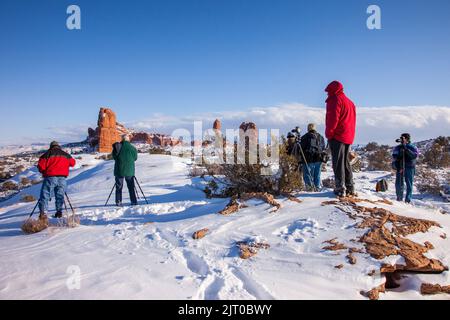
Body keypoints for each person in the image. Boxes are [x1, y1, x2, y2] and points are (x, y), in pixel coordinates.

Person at [325, 80, 357, 197]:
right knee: (345, 162)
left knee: (338, 162)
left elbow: (332, 119)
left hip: (337, 136)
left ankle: (340, 188)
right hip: (348, 136)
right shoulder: (350, 102)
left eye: (328, 92)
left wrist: (329, 134)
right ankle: (350, 187)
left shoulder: (335, 100)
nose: (327, 94)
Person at [37, 141, 76, 220]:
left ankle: (43, 214)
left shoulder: (47, 154)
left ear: (51, 147)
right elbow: (73, 163)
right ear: (58, 146)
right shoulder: (65, 154)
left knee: (45, 196)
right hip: (62, 178)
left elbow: (41, 167)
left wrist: (44, 172)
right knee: (60, 196)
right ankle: (59, 212)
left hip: (50, 178)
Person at [392, 133, 419, 203]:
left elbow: (414, 156)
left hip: (410, 167)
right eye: (401, 138)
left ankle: (407, 200)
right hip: (400, 167)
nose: (402, 140)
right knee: (398, 183)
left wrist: (406, 149)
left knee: (409, 184)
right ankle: (399, 199)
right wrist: (400, 152)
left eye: (404, 138)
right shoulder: (398, 147)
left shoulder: (413, 147)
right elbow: (394, 156)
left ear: (407, 139)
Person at [112, 134, 138, 206]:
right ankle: (133, 201)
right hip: (130, 171)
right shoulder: (132, 148)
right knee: (131, 187)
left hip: (119, 171)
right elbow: (135, 158)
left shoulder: (117, 147)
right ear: (128, 139)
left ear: (122, 139)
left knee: (119, 187)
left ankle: (118, 201)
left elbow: (114, 157)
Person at [300, 123, 326, 191]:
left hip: (308, 159)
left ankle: (309, 188)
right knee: (317, 175)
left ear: (308, 128)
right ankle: (317, 187)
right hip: (318, 158)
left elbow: (301, 148)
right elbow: (323, 147)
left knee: (307, 174)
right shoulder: (321, 137)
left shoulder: (304, 137)